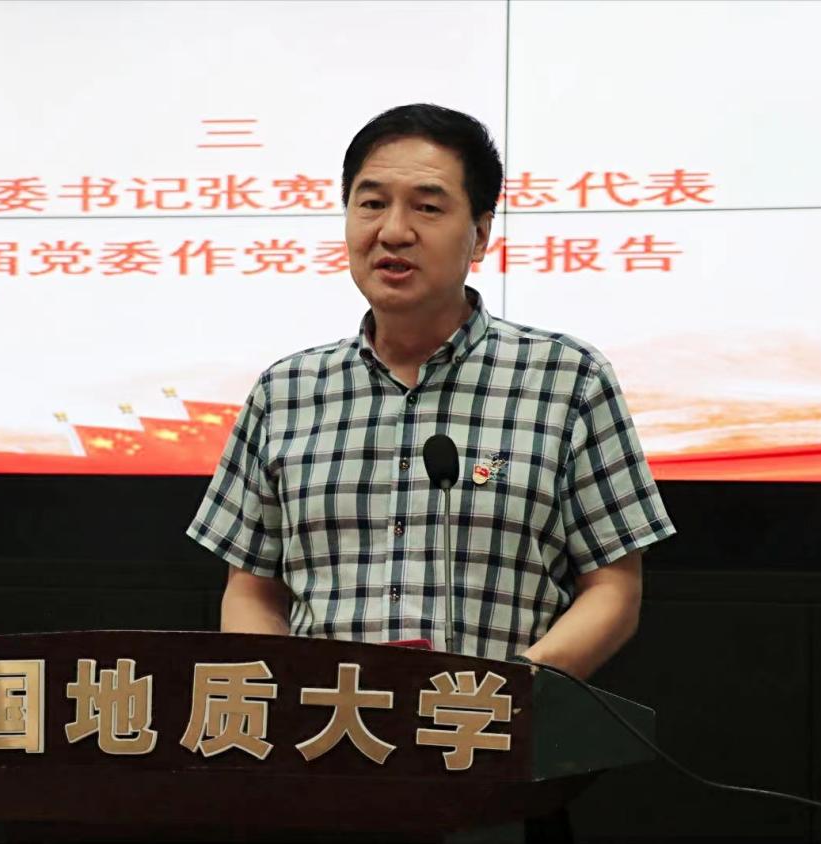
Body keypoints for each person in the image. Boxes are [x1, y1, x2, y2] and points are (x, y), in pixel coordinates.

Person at [187, 103, 675, 681]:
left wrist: (509, 695)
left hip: (491, 725)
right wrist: (283, 693)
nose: (393, 231)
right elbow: (252, 590)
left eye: (427, 207)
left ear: (480, 235)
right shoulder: (285, 392)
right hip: (327, 727)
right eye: (371, 204)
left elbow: (613, 589)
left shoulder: (567, 379)